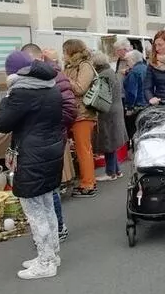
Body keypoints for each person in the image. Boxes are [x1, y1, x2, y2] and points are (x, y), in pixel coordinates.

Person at [0, 51, 65, 280]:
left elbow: (1, 124)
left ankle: (45, 263)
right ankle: (51, 254)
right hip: (51, 150)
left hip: (32, 155)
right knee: (46, 206)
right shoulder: (50, 85)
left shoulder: (21, 92)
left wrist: (7, 96)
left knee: (35, 211)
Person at [21, 43, 76, 241]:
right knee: (45, 187)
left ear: (37, 59)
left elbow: (70, 110)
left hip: (51, 138)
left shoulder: (55, 77)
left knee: (49, 187)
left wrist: (47, 125)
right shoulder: (32, 79)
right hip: (43, 138)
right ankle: (51, 232)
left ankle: (57, 229)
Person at [63, 39, 98, 198]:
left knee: (84, 150)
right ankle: (87, 181)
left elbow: (80, 88)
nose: (63, 55)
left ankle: (88, 184)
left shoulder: (85, 66)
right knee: (81, 150)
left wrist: (64, 80)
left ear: (71, 51)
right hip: (76, 113)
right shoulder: (72, 66)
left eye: (65, 51)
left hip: (83, 114)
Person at [91, 53, 128, 182]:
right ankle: (116, 170)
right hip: (115, 109)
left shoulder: (103, 75)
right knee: (112, 141)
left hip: (108, 112)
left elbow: (100, 97)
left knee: (108, 141)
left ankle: (110, 172)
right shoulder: (110, 71)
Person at [122, 49, 148, 143]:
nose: (127, 63)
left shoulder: (134, 72)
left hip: (137, 106)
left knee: (134, 132)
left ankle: (135, 151)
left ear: (133, 60)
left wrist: (129, 108)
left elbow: (131, 92)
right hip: (147, 104)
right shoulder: (146, 68)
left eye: (127, 61)